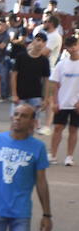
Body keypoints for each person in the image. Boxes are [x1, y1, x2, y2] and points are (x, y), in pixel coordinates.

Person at [46, 35, 79, 166]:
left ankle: (69, 156)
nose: (73, 49)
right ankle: (52, 154)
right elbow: (54, 84)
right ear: (66, 48)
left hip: (76, 103)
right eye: (70, 47)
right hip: (62, 102)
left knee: (73, 129)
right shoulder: (61, 64)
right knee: (58, 128)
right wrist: (54, 102)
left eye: (75, 45)